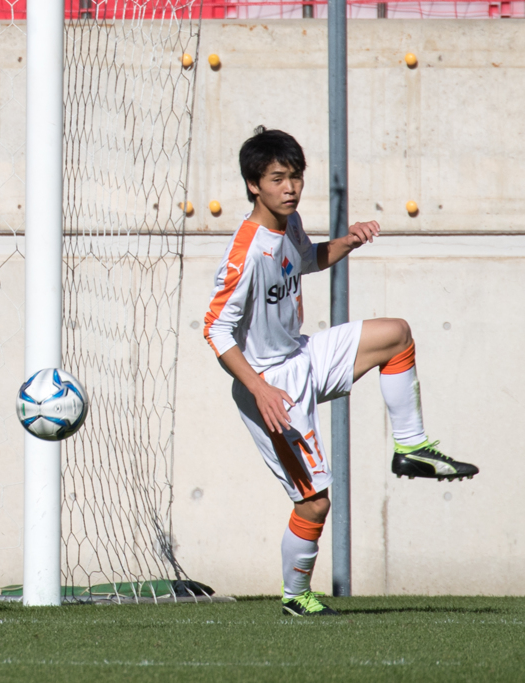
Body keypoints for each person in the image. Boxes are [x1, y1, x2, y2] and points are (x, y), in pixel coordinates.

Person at [203, 127, 479, 617]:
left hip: (302, 354)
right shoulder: (245, 252)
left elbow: (307, 260)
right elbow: (215, 330)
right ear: (253, 185)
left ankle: (411, 448)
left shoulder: (289, 223)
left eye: (296, 178)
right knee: (314, 504)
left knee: (396, 334)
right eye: (277, 179)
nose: (290, 188)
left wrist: (347, 241)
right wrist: (259, 388)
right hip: (271, 385)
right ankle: (295, 597)